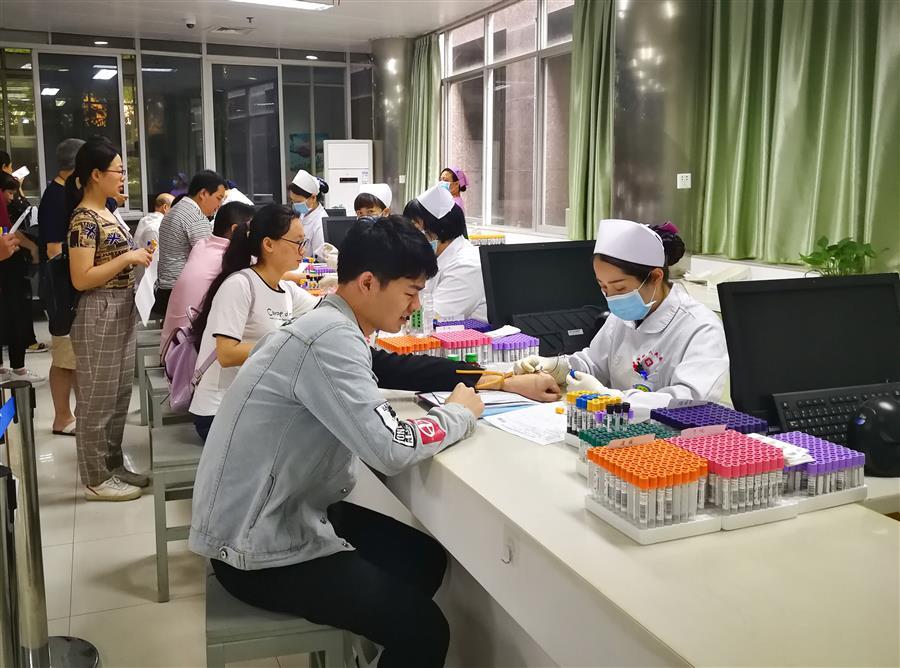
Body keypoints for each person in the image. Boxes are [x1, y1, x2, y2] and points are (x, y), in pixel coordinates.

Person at [189, 215, 559, 668]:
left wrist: (500, 380)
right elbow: (392, 447)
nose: (416, 305)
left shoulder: (329, 322)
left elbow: (392, 367)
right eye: (410, 292)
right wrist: (459, 414)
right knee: (425, 629)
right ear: (367, 282)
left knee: (422, 560)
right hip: (257, 543)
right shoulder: (328, 339)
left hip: (284, 509)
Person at [514, 219, 729, 416]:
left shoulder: (701, 327)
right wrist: (557, 368)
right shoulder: (624, 316)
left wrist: (611, 398)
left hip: (673, 438)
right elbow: (594, 364)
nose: (612, 297)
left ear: (655, 277)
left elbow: (691, 402)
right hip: (618, 429)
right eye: (603, 287)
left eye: (620, 288)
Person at [66, 138, 153, 502]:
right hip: (99, 309)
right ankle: (96, 478)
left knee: (118, 395)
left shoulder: (108, 211)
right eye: (118, 171)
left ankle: (113, 464)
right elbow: (81, 278)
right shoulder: (83, 220)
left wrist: (138, 255)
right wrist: (127, 258)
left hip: (122, 306)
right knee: (96, 398)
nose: (122, 177)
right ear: (96, 174)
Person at [188, 204, 320, 441]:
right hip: (220, 410)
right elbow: (227, 353)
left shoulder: (285, 289)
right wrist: (286, 345)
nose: (303, 250)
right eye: (298, 242)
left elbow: (325, 310)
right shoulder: (239, 285)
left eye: (304, 242)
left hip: (253, 401)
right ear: (268, 244)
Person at [160, 201, 255, 357]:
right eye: (251, 231)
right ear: (235, 230)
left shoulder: (202, 244)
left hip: (172, 344)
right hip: (186, 355)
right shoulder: (227, 257)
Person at [37, 138, 85, 435]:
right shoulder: (55, 197)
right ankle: (62, 417)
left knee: (73, 356)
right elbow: (54, 249)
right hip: (61, 288)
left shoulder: (66, 192)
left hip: (70, 286)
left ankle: (73, 414)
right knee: (65, 357)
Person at [404, 185, 486, 322]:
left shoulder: (467, 265)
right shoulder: (435, 258)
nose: (410, 236)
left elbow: (432, 318)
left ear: (439, 228)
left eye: (416, 229)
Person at [155, 170, 227, 315]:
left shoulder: (176, 209)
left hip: (166, 288)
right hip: (182, 291)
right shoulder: (195, 217)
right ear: (203, 194)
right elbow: (210, 259)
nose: (219, 205)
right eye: (218, 198)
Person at [0, 172, 44, 384]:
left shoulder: (11, 205)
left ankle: (14, 368)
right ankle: (17, 368)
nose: (11, 197)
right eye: (9, 193)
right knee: (13, 316)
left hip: (12, 270)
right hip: (10, 274)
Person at [132, 192, 174, 285]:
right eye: (174, 208)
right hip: (148, 284)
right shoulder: (156, 228)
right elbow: (154, 260)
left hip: (140, 279)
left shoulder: (146, 220)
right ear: (165, 207)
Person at [288, 169, 329, 259]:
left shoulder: (320, 222)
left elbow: (320, 259)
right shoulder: (304, 214)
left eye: (298, 202)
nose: (295, 205)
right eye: (292, 201)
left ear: (313, 198)